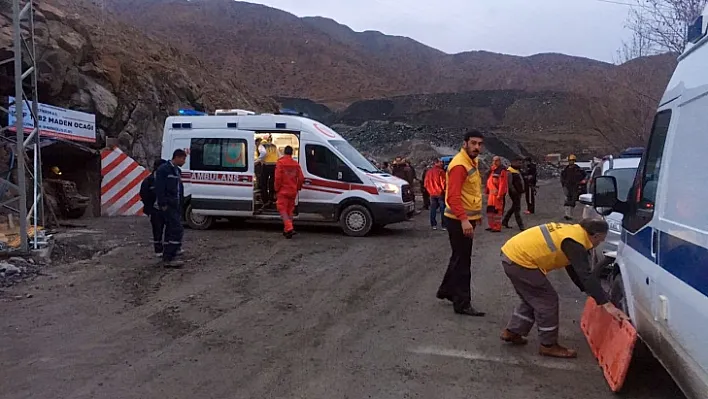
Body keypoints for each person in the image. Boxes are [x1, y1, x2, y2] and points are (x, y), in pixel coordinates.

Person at [499, 219, 625, 358]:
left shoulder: (572, 233)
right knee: (547, 301)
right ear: (594, 236)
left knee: (533, 298)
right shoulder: (575, 243)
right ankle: (548, 345)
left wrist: (587, 290)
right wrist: (605, 303)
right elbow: (585, 274)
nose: (598, 244)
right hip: (520, 261)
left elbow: (573, 267)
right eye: (600, 240)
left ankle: (512, 332)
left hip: (511, 255)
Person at [436, 130, 486, 317]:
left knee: (458, 257)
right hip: (458, 220)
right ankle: (463, 303)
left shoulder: (472, 161)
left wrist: (475, 216)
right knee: (464, 262)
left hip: (464, 218)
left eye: (480, 144)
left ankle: (447, 290)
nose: (477, 147)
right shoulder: (459, 165)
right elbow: (453, 196)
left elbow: (470, 192)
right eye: (473, 143)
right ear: (465, 143)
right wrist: (465, 220)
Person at [155, 149, 187, 268]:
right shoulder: (164, 170)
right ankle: (170, 256)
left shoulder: (177, 171)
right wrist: (163, 203)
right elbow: (160, 188)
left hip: (176, 205)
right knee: (176, 229)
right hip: (169, 206)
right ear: (177, 157)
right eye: (183, 159)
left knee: (170, 231)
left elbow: (179, 189)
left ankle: (168, 255)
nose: (184, 162)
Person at [275, 146, 305, 239]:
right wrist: (298, 188)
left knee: (282, 209)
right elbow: (301, 178)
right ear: (292, 153)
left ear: (284, 152)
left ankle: (289, 227)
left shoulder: (280, 163)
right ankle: (287, 231)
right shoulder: (296, 164)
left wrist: (276, 189)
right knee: (289, 211)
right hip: (292, 191)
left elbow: (278, 178)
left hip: (283, 191)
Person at [139, 158, 167, 258]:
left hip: (166, 209)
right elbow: (143, 194)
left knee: (169, 229)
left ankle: (169, 249)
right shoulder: (149, 181)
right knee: (157, 230)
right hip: (155, 210)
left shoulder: (167, 179)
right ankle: (158, 250)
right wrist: (149, 210)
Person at [485, 156, 508, 232]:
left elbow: (502, 184)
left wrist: (500, 194)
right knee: (490, 210)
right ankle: (492, 225)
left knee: (497, 211)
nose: (494, 162)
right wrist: (487, 192)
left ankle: (497, 227)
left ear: (499, 161)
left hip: (496, 194)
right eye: (493, 160)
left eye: (496, 161)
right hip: (491, 194)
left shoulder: (502, 170)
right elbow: (489, 181)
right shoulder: (493, 170)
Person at [502, 158, 526, 231]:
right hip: (515, 193)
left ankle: (505, 221)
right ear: (514, 162)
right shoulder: (510, 171)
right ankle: (521, 226)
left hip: (518, 192)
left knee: (514, 207)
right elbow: (509, 183)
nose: (520, 165)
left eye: (521, 163)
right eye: (519, 163)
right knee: (517, 209)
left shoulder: (517, 170)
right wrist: (514, 191)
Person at [424, 159, 446, 230]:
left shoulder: (429, 172)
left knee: (433, 209)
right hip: (440, 193)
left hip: (432, 193)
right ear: (437, 163)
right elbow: (443, 183)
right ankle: (444, 225)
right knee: (443, 209)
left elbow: (425, 183)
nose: (442, 163)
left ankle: (433, 225)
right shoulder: (441, 171)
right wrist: (445, 190)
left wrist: (429, 190)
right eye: (441, 162)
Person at [561, 154, 585, 220]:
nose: (571, 162)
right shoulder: (565, 169)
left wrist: (579, 182)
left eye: (572, 160)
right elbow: (562, 177)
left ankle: (570, 215)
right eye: (570, 160)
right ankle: (567, 214)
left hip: (575, 187)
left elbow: (583, 175)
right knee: (567, 200)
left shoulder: (578, 169)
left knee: (572, 201)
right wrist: (563, 184)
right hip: (567, 186)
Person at [261, 136, 279, 209]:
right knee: (272, 182)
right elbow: (278, 155)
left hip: (266, 165)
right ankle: (271, 198)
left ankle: (265, 200)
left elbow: (262, 156)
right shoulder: (274, 146)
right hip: (274, 165)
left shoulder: (263, 146)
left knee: (264, 183)